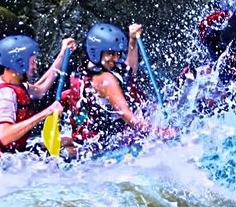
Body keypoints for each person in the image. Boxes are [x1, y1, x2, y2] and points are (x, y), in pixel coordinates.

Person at [61, 22, 172, 156]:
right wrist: (158, 132)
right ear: (96, 52)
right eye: (111, 54)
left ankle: (65, 144)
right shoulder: (106, 80)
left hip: (94, 138)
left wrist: (132, 40)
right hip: (109, 143)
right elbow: (126, 115)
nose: (116, 58)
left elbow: (129, 73)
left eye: (118, 54)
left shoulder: (89, 72)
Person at [0, 34, 77, 173]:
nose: (35, 66)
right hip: (3, 166)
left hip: (12, 155)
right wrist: (47, 112)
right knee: (72, 152)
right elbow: (6, 136)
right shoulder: (6, 95)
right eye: (32, 62)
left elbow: (41, 89)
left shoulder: (11, 83)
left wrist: (63, 53)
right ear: (18, 63)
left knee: (68, 140)